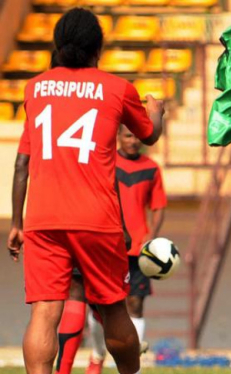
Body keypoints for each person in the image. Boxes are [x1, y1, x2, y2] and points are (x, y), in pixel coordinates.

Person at [7, 7, 164, 374]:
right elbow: (148, 135)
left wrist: (17, 222)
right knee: (113, 308)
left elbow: (20, 164)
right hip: (96, 217)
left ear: (58, 45)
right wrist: (156, 110)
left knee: (45, 311)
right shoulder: (117, 88)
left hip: (42, 217)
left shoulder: (35, 89)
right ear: (99, 48)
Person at [86, 124, 167, 373]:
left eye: (136, 136)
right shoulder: (105, 162)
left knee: (136, 304)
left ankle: (135, 366)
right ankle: (98, 354)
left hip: (138, 251)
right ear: (118, 137)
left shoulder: (151, 168)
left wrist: (151, 236)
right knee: (99, 307)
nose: (133, 140)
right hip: (108, 246)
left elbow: (159, 205)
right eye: (127, 135)